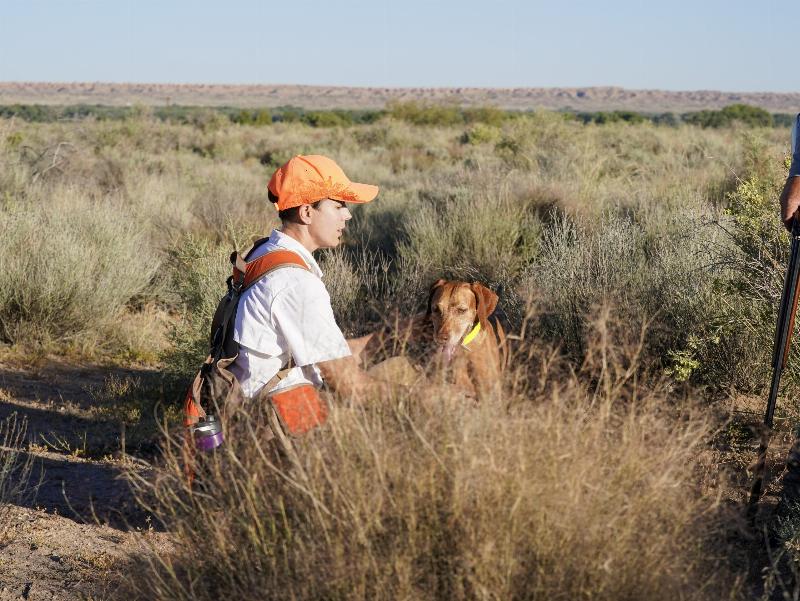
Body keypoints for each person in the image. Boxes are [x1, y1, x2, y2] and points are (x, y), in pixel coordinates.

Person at [229, 154, 414, 410]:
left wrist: (395, 336)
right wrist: (428, 399)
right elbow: (350, 387)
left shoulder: (264, 254)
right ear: (307, 212)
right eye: (339, 206)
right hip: (272, 428)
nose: (347, 216)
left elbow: (326, 356)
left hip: (249, 409)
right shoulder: (295, 282)